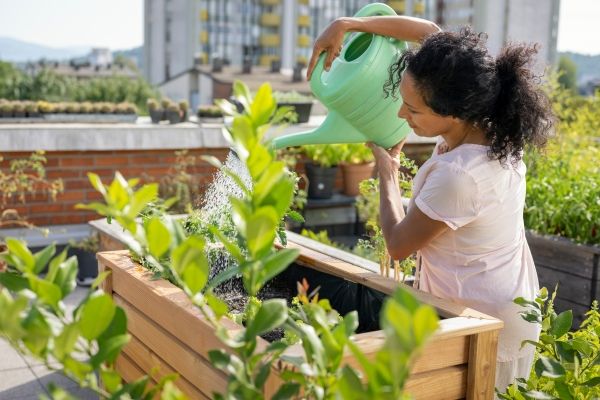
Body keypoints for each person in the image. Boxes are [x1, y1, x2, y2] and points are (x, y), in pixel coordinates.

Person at [307, 15, 554, 392]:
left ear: (452, 113)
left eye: (414, 109)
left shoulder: (461, 176)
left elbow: (398, 244)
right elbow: (431, 35)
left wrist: (387, 171)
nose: (401, 114)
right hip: (489, 299)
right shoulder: (486, 119)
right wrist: (348, 24)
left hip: (486, 319)